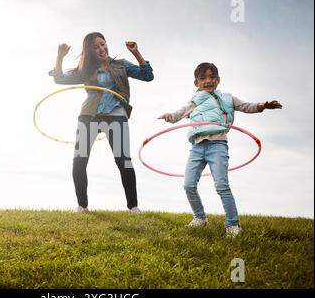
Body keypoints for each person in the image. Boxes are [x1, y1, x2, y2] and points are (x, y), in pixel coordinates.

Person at [158, 62, 282, 237]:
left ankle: (232, 224)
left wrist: (263, 105)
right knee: (188, 185)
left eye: (211, 77)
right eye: (203, 78)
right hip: (197, 147)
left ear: (218, 80)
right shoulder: (194, 102)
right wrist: (169, 116)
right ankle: (200, 218)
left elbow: (247, 106)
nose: (208, 81)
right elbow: (180, 113)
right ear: (196, 83)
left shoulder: (227, 99)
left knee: (222, 186)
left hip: (217, 145)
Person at [50, 32, 154, 213]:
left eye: (103, 44)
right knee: (79, 160)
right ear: (90, 52)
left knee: (124, 160)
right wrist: (59, 57)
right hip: (89, 116)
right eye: (95, 47)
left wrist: (136, 53)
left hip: (116, 115)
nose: (101, 49)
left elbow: (148, 75)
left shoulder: (121, 65)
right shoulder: (85, 70)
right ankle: (82, 206)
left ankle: (133, 207)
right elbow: (59, 78)